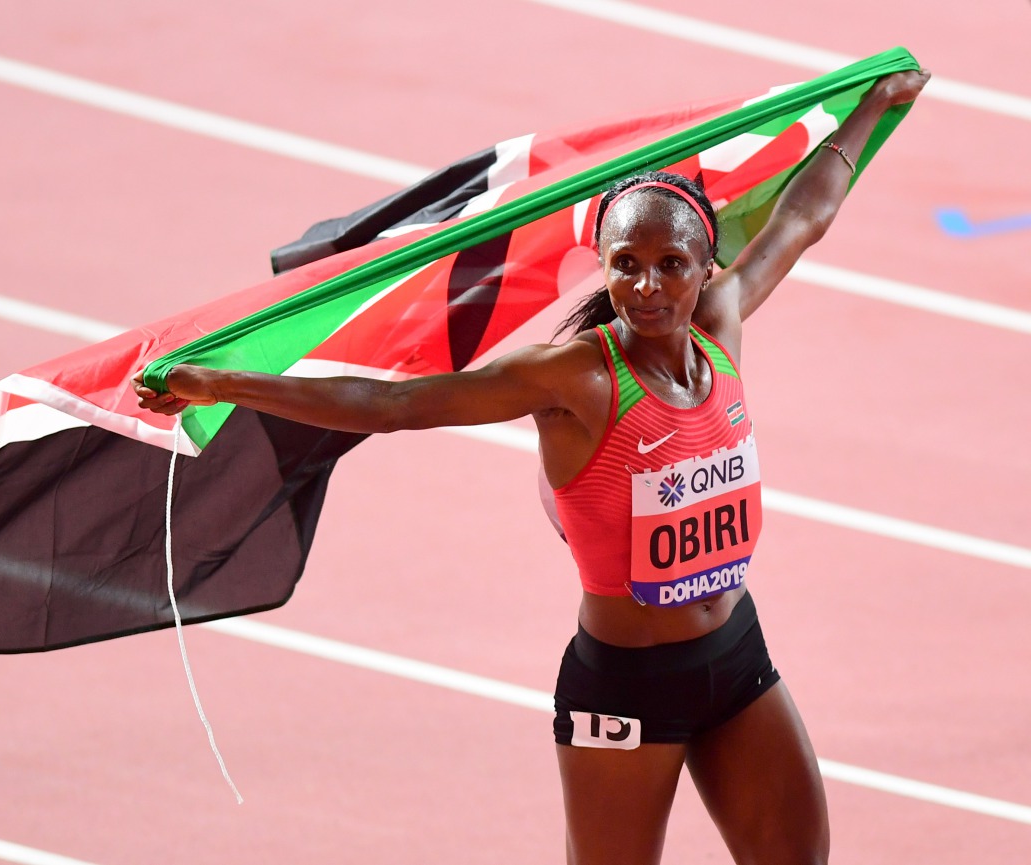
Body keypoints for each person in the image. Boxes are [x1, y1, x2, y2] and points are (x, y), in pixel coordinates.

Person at [134, 68, 930, 865]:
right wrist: (223, 384)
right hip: (625, 690)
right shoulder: (575, 378)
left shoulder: (722, 326)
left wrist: (873, 108)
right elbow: (394, 406)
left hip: (735, 656)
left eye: (670, 265)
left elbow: (804, 216)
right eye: (626, 264)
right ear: (604, 265)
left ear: (703, 265)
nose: (646, 287)